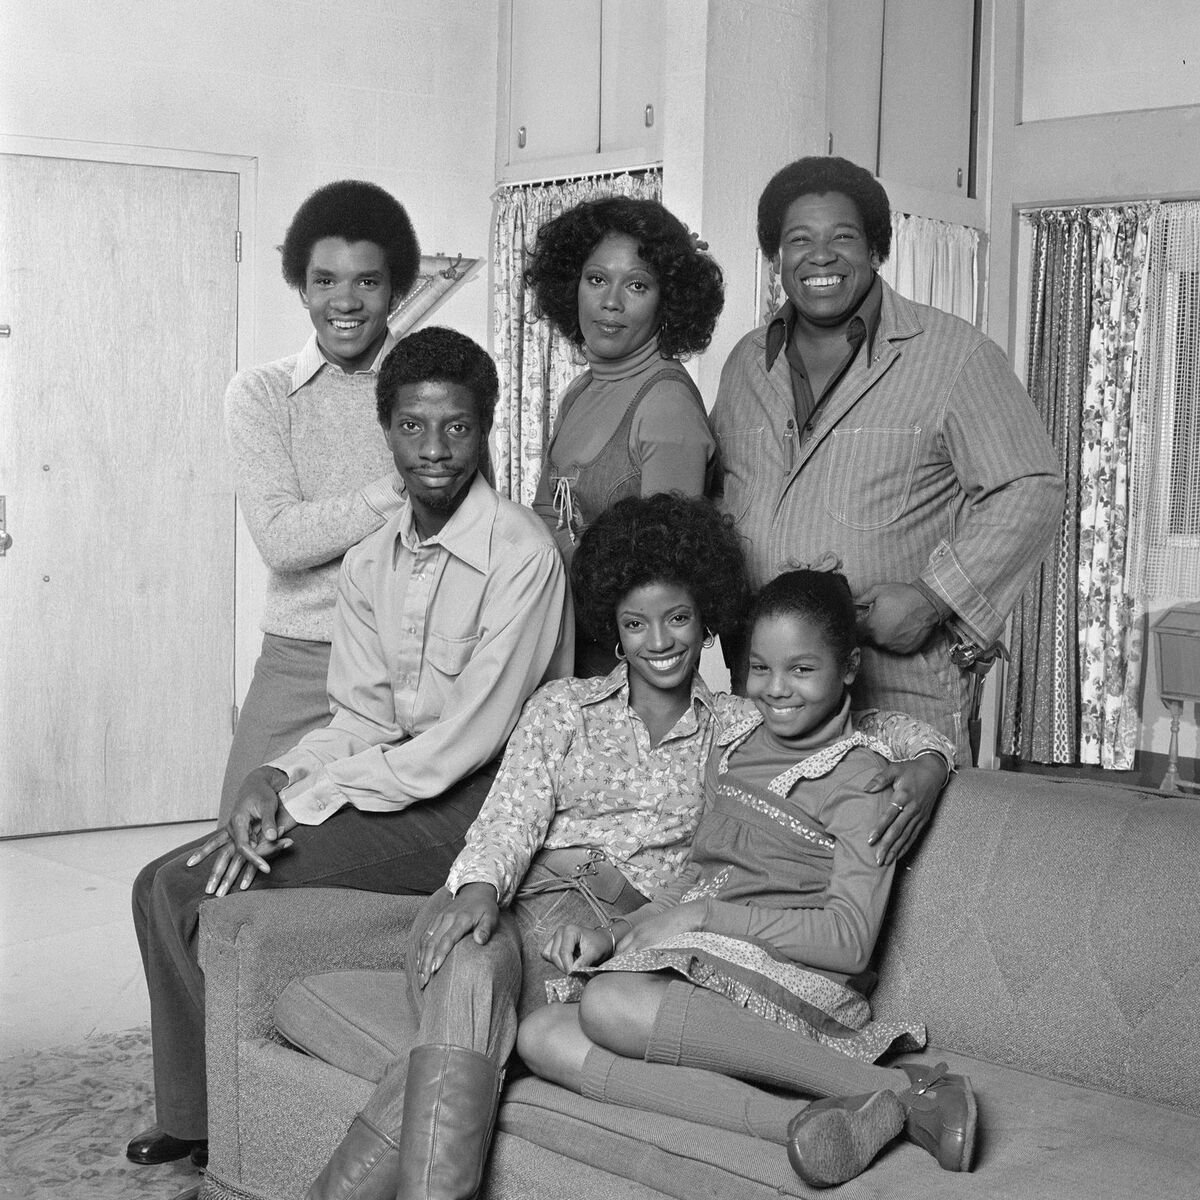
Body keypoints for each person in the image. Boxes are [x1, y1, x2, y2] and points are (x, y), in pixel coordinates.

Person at [287, 495, 954, 1200]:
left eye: (677, 620)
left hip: (602, 940)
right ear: (613, 627)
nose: (659, 642)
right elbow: (507, 821)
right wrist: (479, 887)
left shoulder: (739, 725)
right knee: (474, 963)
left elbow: (874, 727)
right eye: (636, 624)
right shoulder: (562, 708)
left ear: (706, 624)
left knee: (490, 1033)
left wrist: (930, 765)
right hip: (512, 902)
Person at [125, 328, 571, 1186]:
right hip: (401, 780)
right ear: (387, 431)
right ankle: (196, 1114)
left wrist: (311, 805)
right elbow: (360, 717)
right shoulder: (370, 557)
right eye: (412, 427)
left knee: (187, 883)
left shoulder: (524, 555)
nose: (435, 450)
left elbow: (460, 748)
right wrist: (279, 774)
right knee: (158, 884)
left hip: (477, 807)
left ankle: (216, 1120)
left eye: (458, 428)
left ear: (487, 432)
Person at [519, 568, 976, 1190]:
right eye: (760, 669)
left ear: (848, 668)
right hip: (706, 960)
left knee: (608, 1003)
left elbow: (850, 940)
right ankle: (801, 1122)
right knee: (540, 1035)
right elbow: (697, 877)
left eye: (801, 670)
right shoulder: (735, 747)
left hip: (800, 978)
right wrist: (623, 932)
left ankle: (902, 1088)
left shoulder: (864, 779)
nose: (777, 689)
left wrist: (704, 919)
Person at [709, 155, 1064, 802]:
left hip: (898, 679)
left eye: (842, 237)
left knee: (897, 871)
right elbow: (719, 495)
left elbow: (1031, 487)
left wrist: (935, 598)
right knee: (773, 853)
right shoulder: (743, 367)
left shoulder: (954, 355)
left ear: (876, 247)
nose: (821, 257)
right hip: (768, 683)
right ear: (774, 256)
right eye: (798, 240)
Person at [218, 179, 422, 822]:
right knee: (234, 845)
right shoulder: (261, 394)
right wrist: (397, 488)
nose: (346, 300)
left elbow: (472, 529)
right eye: (326, 279)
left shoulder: (433, 389)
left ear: (396, 290)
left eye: (367, 282)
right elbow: (281, 539)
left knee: (377, 864)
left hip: (413, 660)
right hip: (302, 657)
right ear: (301, 287)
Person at [525, 196, 725, 674]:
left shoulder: (665, 406)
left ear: (668, 301)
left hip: (633, 668)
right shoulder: (579, 391)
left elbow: (664, 579)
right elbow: (545, 514)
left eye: (637, 285)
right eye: (596, 279)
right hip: (562, 644)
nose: (610, 302)